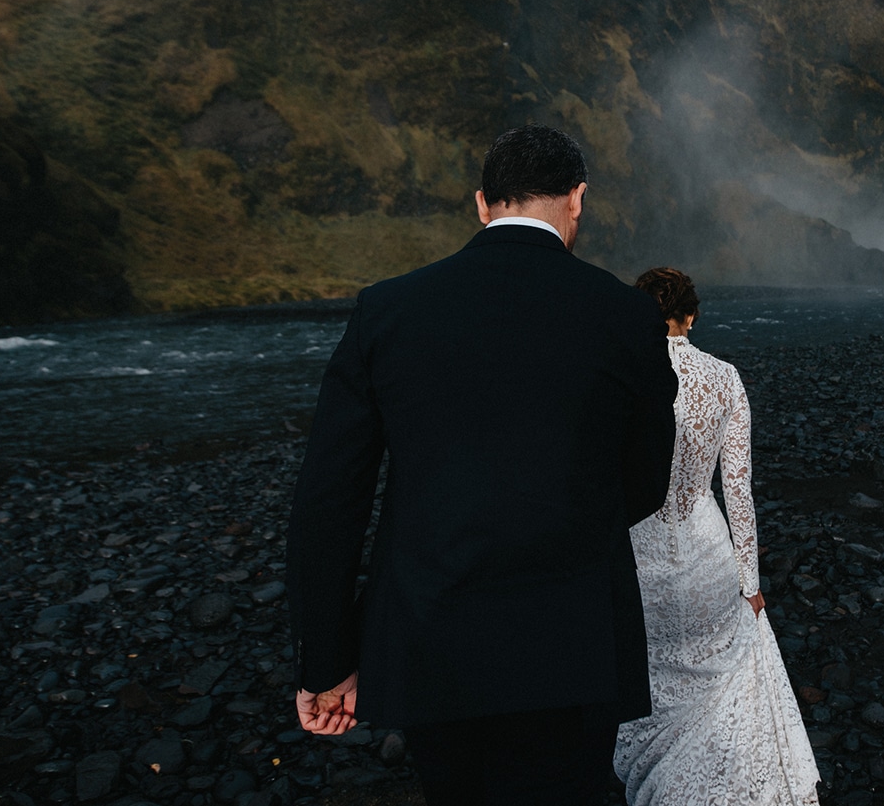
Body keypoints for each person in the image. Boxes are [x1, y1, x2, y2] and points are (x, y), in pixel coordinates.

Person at [286, 125, 679, 806]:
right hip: (572, 634)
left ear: (480, 204)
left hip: (430, 637)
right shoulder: (625, 315)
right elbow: (647, 477)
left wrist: (329, 660)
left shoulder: (386, 309)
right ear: (578, 198)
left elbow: (330, 497)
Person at [615, 267, 821, 806]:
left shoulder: (620, 373)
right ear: (691, 316)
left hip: (638, 554)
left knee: (648, 673)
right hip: (706, 549)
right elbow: (739, 493)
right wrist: (750, 583)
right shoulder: (724, 377)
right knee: (717, 669)